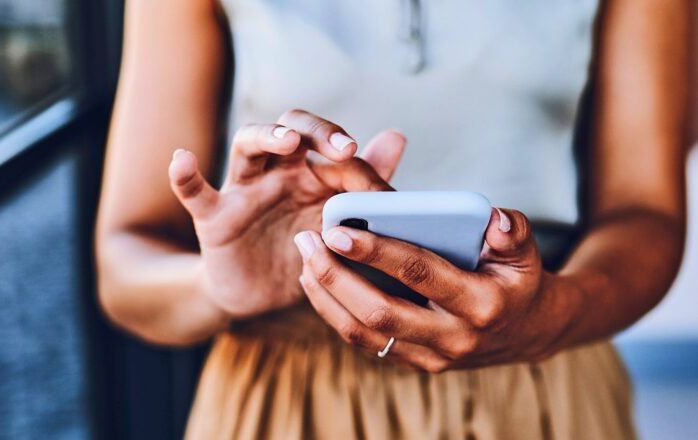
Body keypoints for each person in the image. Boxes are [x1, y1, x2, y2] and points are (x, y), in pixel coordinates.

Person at [95, 1, 689, 438]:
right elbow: (125, 267)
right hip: (286, 400)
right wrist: (220, 286)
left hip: (545, 388)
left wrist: (550, 316)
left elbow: (646, 214)